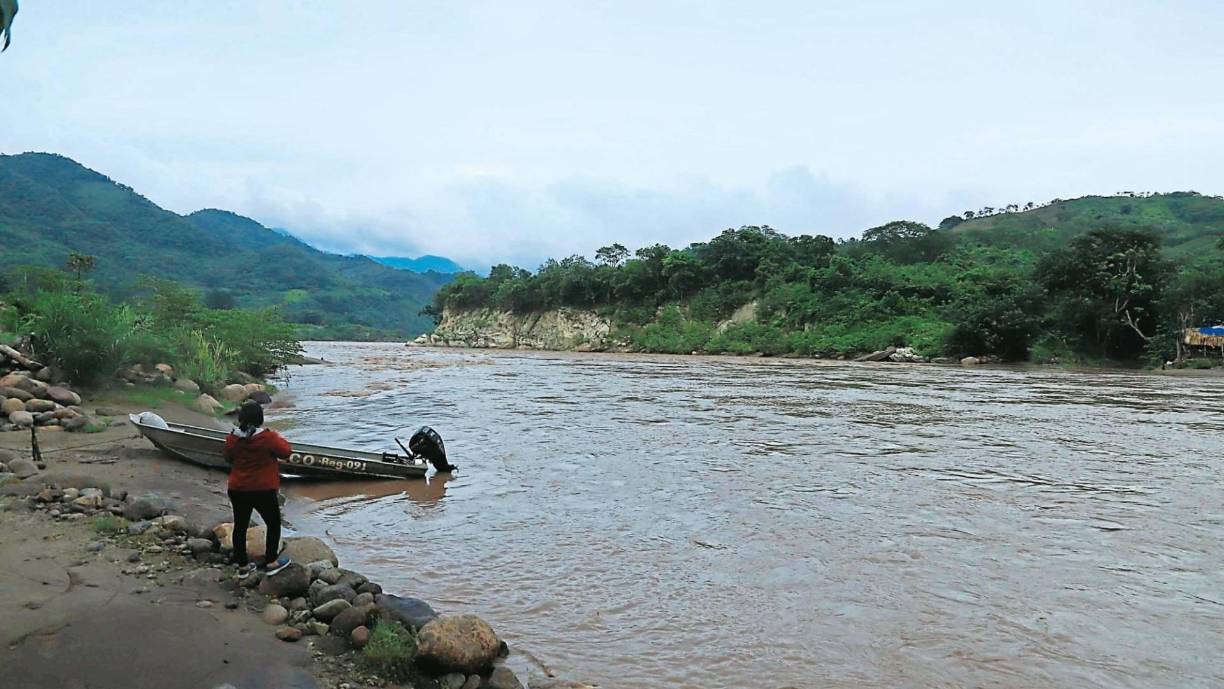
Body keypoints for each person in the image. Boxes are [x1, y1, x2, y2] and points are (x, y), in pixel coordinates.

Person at [223, 400, 293, 577]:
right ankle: (271, 562)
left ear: (241, 418)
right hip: (263, 489)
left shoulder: (233, 438)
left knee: (240, 525)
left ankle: (242, 566)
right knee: (273, 523)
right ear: (260, 419)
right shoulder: (268, 438)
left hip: (238, 488)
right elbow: (286, 452)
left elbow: (228, 458)